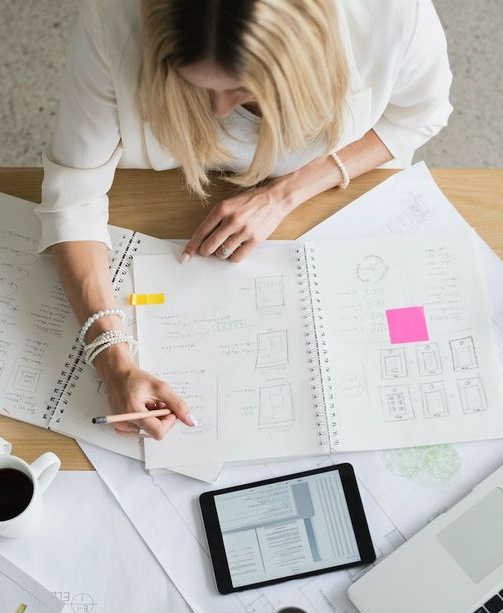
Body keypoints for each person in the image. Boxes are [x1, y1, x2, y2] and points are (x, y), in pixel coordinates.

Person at [38, 0, 452, 440]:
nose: (219, 110)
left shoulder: (393, 14)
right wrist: (114, 359)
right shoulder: (113, 19)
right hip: (161, 195)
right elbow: (73, 193)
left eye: (242, 90)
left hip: (333, 198)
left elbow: (419, 116)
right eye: (193, 81)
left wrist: (286, 193)